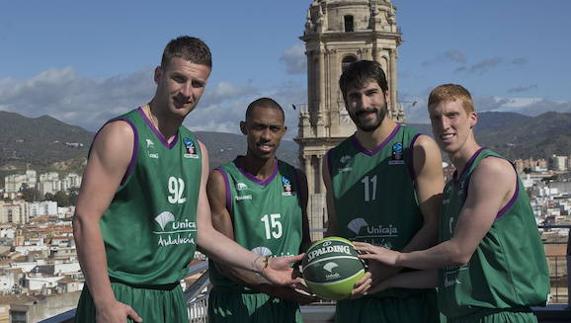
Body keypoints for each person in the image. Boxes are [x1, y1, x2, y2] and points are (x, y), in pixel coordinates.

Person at [72, 36, 302, 323]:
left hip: (171, 297)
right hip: (123, 294)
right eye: (178, 79)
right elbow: (84, 218)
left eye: (197, 84)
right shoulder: (123, 135)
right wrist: (105, 303)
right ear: (159, 75)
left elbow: (201, 232)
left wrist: (262, 264)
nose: (186, 92)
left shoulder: (197, 150)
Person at [354, 84, 550, 322]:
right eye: (436, 118)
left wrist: (396, 258)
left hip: (498, 314)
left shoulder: (490, 170)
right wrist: (387, 282)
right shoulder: (452, 187)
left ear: (472, 118)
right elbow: (447, 273)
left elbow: (458, 252)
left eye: (452, 115)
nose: (444, 125)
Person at [323, 60, 445, 322]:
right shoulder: (333, 160)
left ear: (387, 95)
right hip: (356, 303)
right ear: (345, 102)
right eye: (354, 97)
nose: (364, 104)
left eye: (371, 93)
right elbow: (334, 227)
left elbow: (434, 224)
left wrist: (390, 267)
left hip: (411, 302)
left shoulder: (418, 147)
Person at [206, 97, 315, 322]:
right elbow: (225, 262)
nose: (266, 136)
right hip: (237, 304)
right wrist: (277, 287)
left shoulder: (296, 179)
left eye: (274, 129)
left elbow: (305, 241)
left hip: (284, 304)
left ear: (283, 131)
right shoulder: (221, 180)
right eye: (258, 127)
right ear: (244, 128)